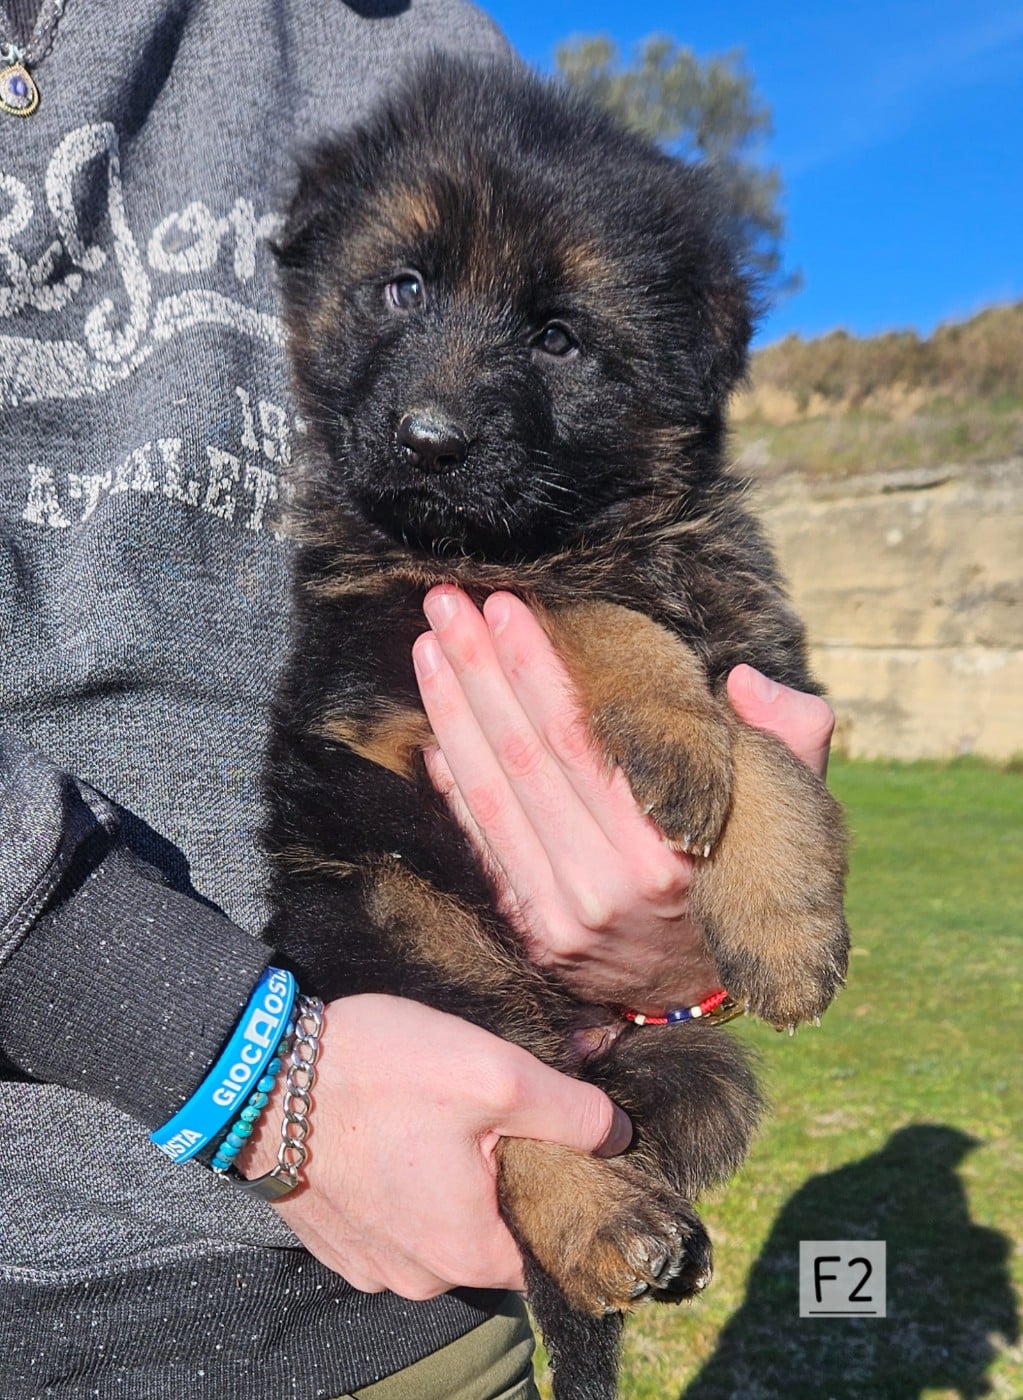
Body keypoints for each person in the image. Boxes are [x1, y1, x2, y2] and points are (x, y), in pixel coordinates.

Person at [0, 1, 835, 1395]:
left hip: (427, 1316)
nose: (437, 403)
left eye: (555, 338)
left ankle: (562, 1190)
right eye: (398, 290)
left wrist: (679, 960)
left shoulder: (434, 55)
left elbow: (730, 889)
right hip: (76, 1241)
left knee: (702, 1093)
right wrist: (250, 1079)